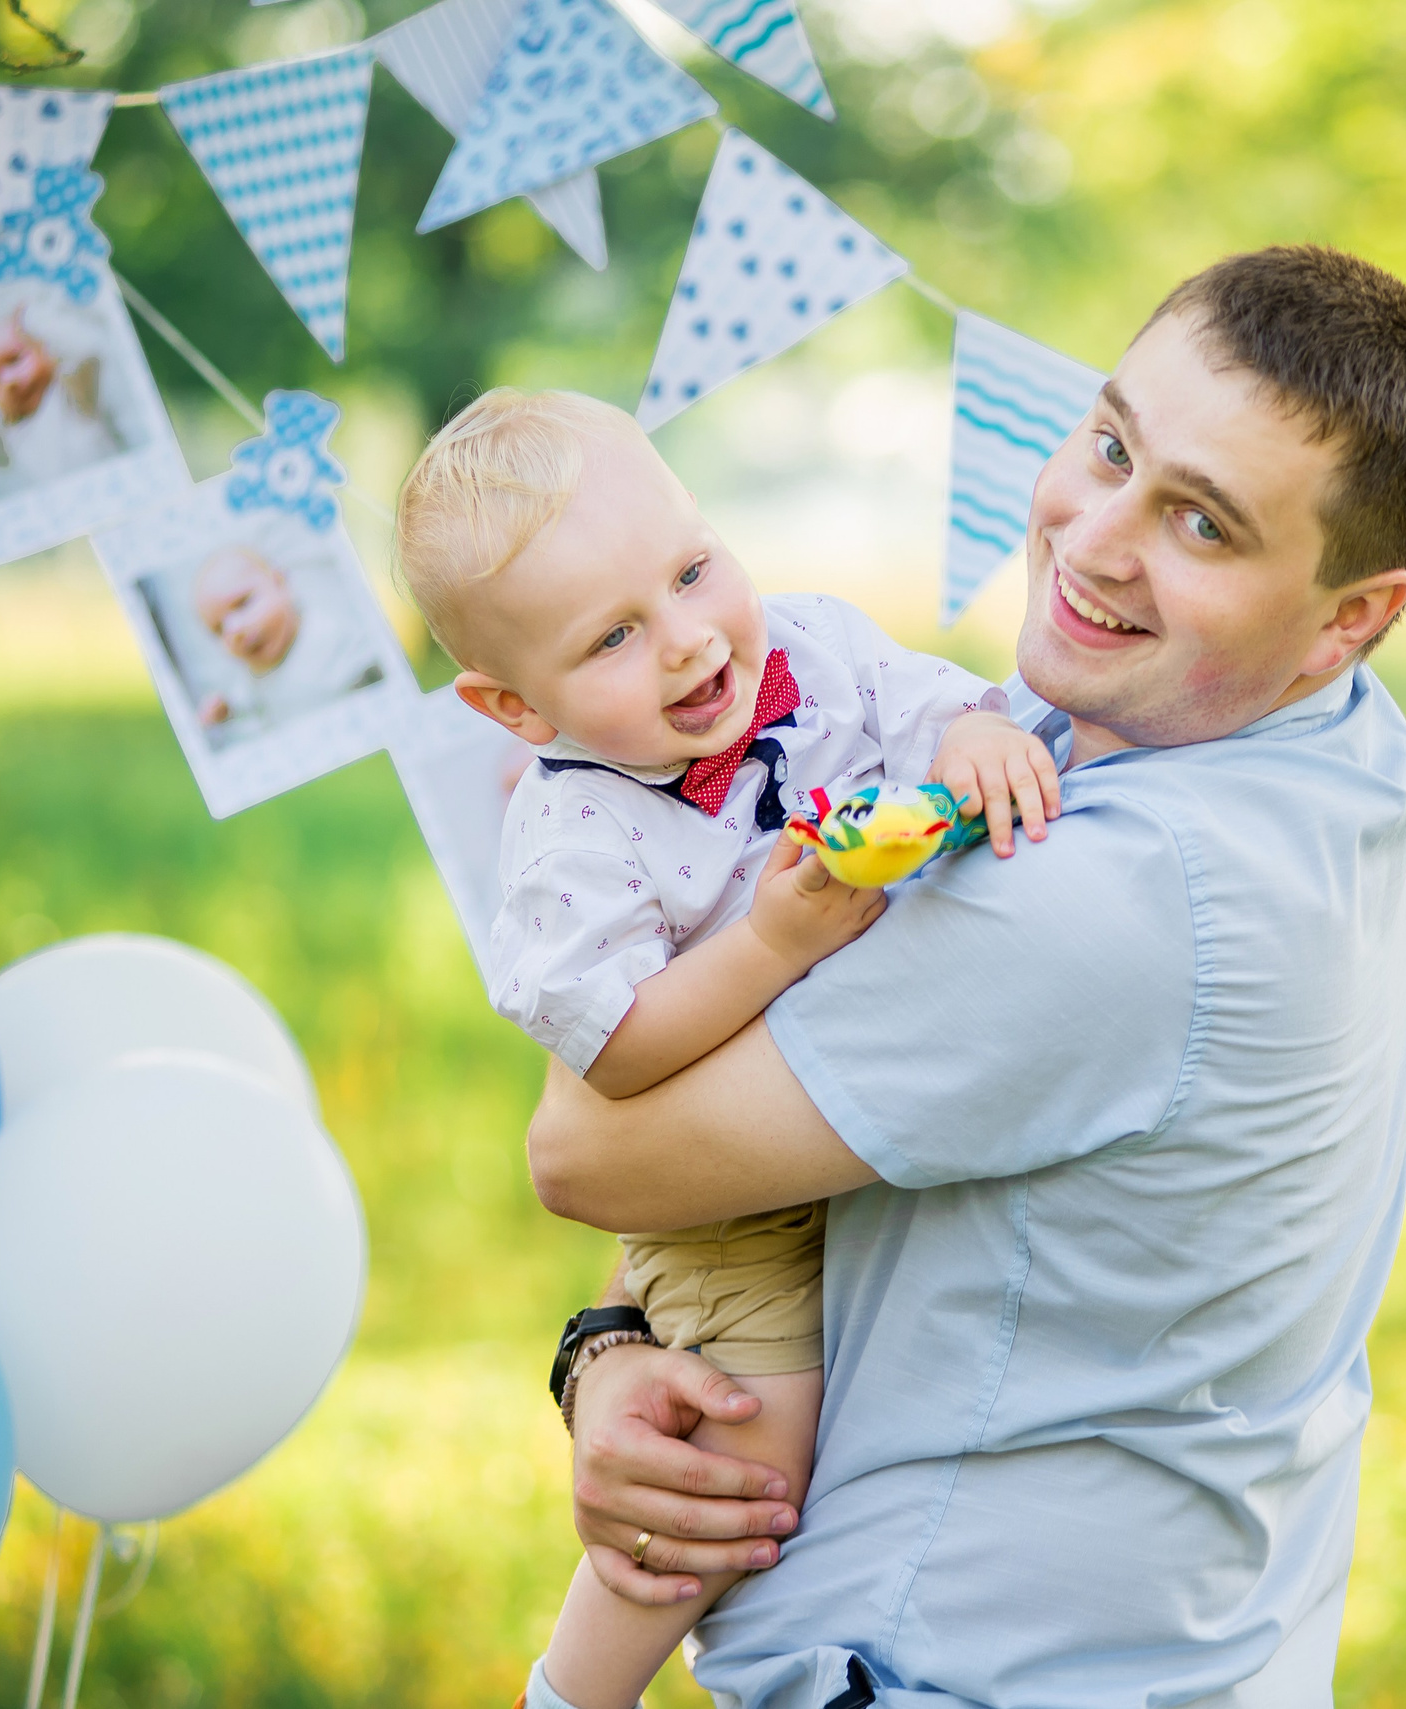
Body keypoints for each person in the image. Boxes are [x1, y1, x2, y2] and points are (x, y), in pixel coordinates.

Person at [525, 245, 1406, 1707]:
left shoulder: (1106, 898)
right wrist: (609, 1350)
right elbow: (750, 1133)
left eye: (1201, 524)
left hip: (947, 1669)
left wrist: (628, 853)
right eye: (1109, 445)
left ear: (1352, 610)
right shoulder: (1309, 733)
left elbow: (590, 1150)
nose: (1095, 540)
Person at [392, 388, 1060, 1709]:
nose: (693, 641)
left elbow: (937, 705)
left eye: (693, 569)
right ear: (516, 706)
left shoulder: (809, 649)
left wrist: (979, 729)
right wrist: (772, 942)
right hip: (726, 1214)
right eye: (615, 637)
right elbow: (621, 1055)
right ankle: (579, 1687)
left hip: (850, 1128)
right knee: (744, 1468)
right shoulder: (571, 838)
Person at [184, 542, 387, 740]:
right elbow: (247, 708)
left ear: (279, 582)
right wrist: (225, 711)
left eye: (242, 604)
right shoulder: (251, 677)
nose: (235, 631)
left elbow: (373, 663)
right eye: (219, 629)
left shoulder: (327, 633)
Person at [0, 299, 123, 497]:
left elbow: (85, 349)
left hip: (109, 484)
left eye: (14, 360)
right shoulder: (10, 433)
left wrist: (30, 319)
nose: (7, 381)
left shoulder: (70, 392)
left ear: (44, 349)